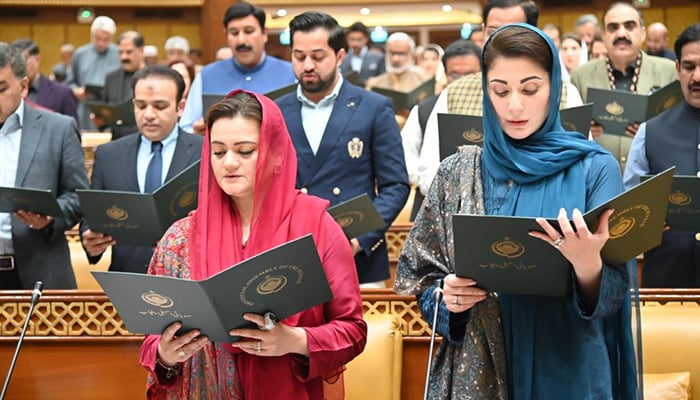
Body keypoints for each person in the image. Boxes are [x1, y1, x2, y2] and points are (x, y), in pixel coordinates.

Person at [394, 23, 638, 400]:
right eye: (500, 90)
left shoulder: (594, 167)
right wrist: (448, 299)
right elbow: (422, 277)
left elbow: (612, 299)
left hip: (567, 367)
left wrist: (588, 266)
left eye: (530, 88)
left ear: (553, 87)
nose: (515, 106)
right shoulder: (457, 173)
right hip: (479, 368)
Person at [139, 89, 367, 398]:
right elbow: (154, 337)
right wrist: (167, 353)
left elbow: (352, 330)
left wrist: (295, 340)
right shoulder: (181, 237)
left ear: (276, 154)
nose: (229, 163)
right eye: (218, 152)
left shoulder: (316, 227)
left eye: (244, 151)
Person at [276, 11, 409, 287]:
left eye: (318, 56)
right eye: (299, 56)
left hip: (358, 255)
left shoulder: (373, 107)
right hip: (293, 255)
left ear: (339, 56)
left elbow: (395, 185)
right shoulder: (276, 111)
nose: (308, 65)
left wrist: (360, 239)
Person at [415, 0, 584, 197]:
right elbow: (429, 173)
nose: (500, 39)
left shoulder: (563, 92)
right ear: (483, 31)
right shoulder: (454, 93)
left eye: (511, 30)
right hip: (469, 216)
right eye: (493, 30)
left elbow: (579, 166)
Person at [81, 65, 203, 274]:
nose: (148, 114)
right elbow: (92, 216)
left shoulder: (205, 152)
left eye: (160, 106)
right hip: (126, 277)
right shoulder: (108, 154)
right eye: (141, 105)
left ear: (180, 107)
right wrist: (89, 240)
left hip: (187, 277)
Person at [0, 42, 89, 289]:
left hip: (39, 272)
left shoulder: (58, 128)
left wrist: (49, 218)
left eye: (1, 88)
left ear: (24, 86)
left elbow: (79, 196)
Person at [623, 22, 700, 288]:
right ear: (678, 68)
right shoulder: (649, 131)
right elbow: (628, 210)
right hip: (666, 285)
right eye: (689, 67)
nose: (697, 77)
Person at [570, 2, 677, 172]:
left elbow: (681, 128)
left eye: (629, 26)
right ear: (603, 36)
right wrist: (585, 133)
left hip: (653, 176)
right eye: (613, 28)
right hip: (598, 179)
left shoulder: (670, 71)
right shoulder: (581, 76)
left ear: (642, 33)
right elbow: (568, 134)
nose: (621, 33)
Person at [179, 1, 296, 135]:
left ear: (264, 34)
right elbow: (185, 128)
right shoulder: (206, 76)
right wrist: (196, 132)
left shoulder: (291, 74)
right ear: (226, 35)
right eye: (234, 33)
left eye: (249, 31)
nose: (241, 40)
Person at [401, 39, 482, 220]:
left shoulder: (496, 109)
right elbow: (406, 153)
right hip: (429, 203)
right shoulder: (424, 109)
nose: (463, 82)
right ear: (445, 73)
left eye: (470, 74)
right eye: (455, 75)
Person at [67, 15, 121, 130]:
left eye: (105, 40)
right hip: (86, 106)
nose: (101, 43)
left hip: (110, 106)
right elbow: (70, 82)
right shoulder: (80, 54)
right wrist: (76, 90)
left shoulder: (119, 54)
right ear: (92, 36)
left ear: (111, 38)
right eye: (97, 39)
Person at [11, 38, 78, 124]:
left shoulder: (62, 93)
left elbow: (72, 132)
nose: (19, 67)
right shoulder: (7, 93)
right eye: (14, 63)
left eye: (23, 61)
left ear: (37, 59)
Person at [98, 30, 146, 139]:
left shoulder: (157, 77)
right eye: (120, 52)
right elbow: (106, 111)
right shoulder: (111, 78)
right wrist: (101, 121)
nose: (124, 57)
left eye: (129, 52)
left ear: (142, 51)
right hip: (118, 141)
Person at [339, 22, 385, 86]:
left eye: (359, 40)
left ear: (366, 39)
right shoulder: (341, 59)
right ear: (347, 39)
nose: (355, 43)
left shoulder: (378, 58)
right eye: (352, 39)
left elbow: (383, 79)